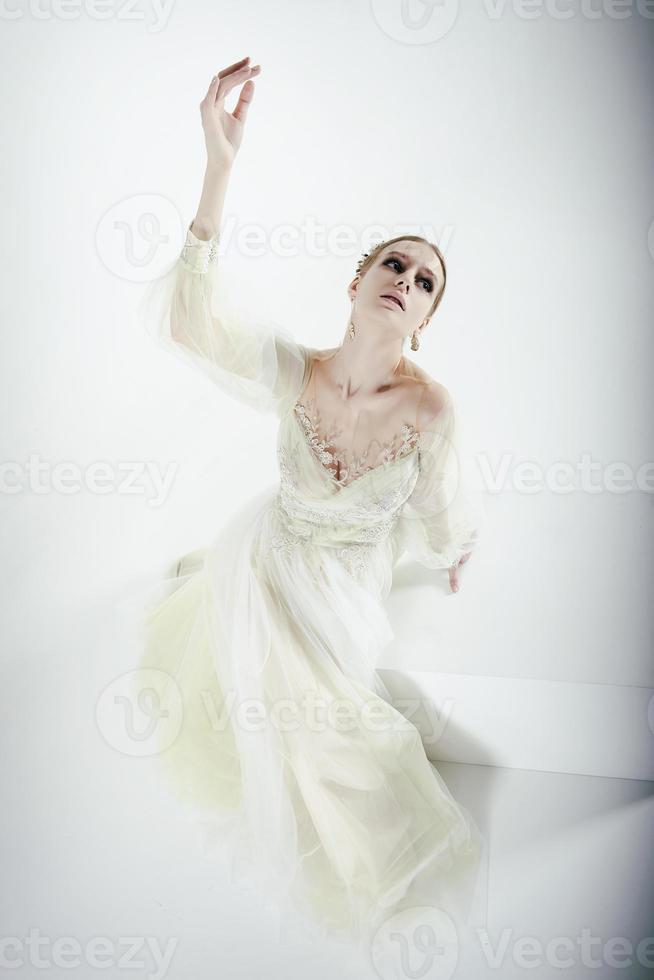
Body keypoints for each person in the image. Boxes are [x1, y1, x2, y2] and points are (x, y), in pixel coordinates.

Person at [135, 55, 487, 953]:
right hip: (271, 550)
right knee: (266, 691)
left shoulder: (431, 410)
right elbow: (190, 325)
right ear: (357, 281)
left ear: (424, 320)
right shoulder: (298, 372)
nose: (405, 280)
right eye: (394, 264)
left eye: (424, 283)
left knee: (326, 717)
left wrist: (454, 552)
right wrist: (219, 167)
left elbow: (444, 514)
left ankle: (391, 884)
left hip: (348, 582)